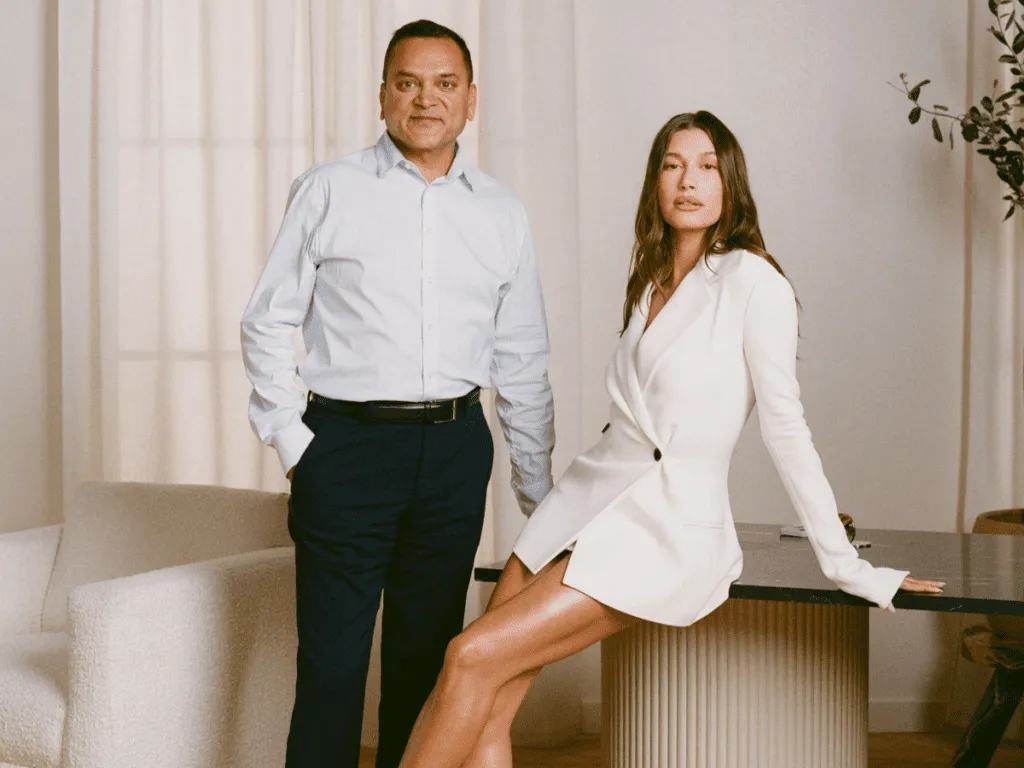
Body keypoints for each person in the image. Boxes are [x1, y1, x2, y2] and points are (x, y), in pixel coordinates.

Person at [395, 111, 946, 768]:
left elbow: (786, 429)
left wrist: (845, 564)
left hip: (662, 529)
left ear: (730, 183)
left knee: (470, 656)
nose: (688, 181)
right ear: (655, 181)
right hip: (581, 505)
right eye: (672, 164)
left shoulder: (754, 283)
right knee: (487, 691)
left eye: (707, 166)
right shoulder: (650, 278)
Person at [239, 19, 555, 768]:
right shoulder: (328, 190)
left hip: (454, 451)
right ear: (383, 96)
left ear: (471, 100)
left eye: (445, 84)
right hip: (344, 450)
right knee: (332, 667)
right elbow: (266, 321)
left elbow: (522, 358)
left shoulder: (501, 212)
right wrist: (296, 447)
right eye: (408, 83)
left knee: (427, 666)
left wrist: (539, 491)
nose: (426, 99)